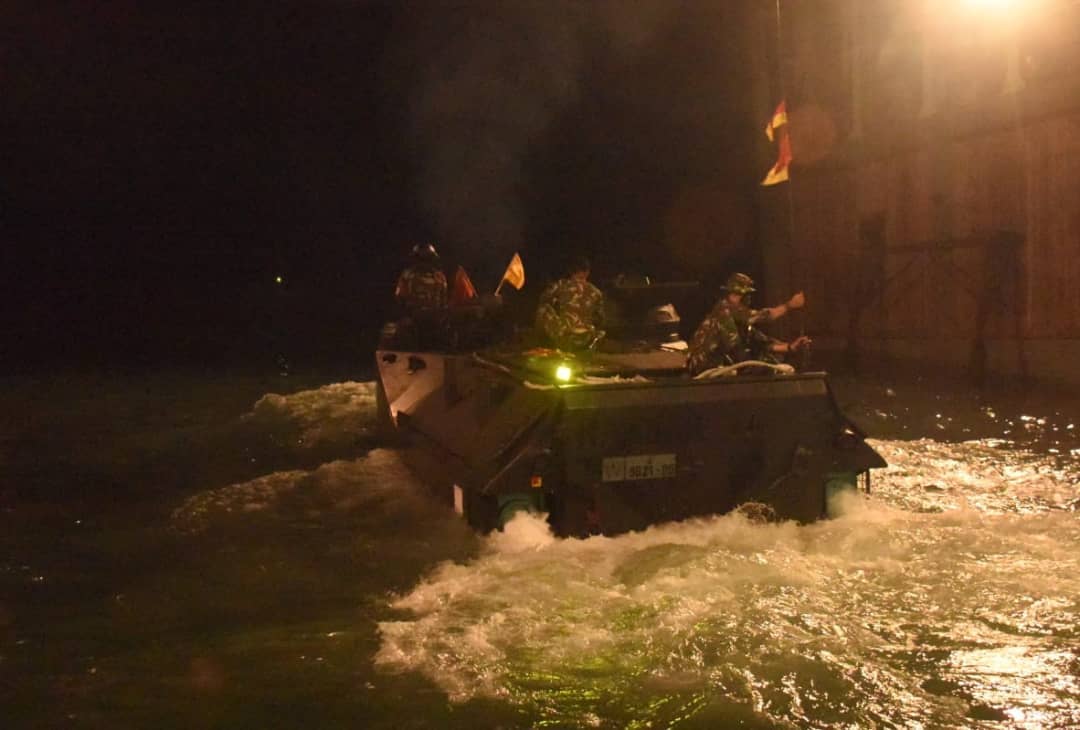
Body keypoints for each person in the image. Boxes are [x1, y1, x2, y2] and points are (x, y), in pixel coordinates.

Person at [686, 272, 810, 375]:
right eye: (736, 294)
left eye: (741, 295)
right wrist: (789, 305)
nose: (739, 299)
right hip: (701, 371)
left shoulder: (741, 322)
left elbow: (762, 343)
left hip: (716, 370)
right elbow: (737, 350)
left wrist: (790, 347)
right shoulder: (723, 312)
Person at [535, 256, 605, 351]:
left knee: (544, 309)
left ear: (570, 271)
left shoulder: (560, 285)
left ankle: (542, 344)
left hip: (564, 335)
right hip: (586, 337)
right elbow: (600, 319)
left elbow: (543, 299)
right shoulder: (596, 292)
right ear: (587, 272)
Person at [394, 243, 448, 349]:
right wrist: (405, 316)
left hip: (435, 323)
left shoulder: (440, 277)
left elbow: (443, 301)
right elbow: (400, 299)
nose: (424, 262)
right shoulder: (407, 276)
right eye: (422, 259)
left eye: (426, 259)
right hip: (413, 321)